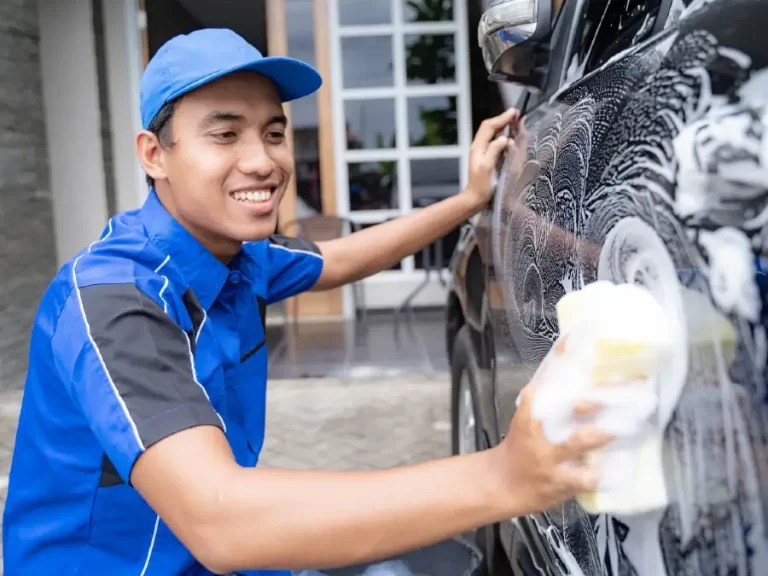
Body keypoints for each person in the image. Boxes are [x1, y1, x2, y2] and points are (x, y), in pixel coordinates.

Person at [2, 29, 612, 575]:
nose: (262, 160)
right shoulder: (116, 299)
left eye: (273, 133)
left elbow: (341, 257)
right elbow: (221, 521)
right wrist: (506, 476)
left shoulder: (238, 257)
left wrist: (466, 200)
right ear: (154, 154)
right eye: (224, 134)